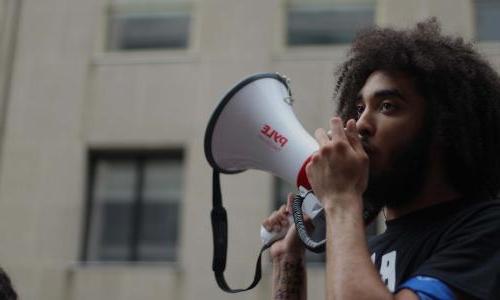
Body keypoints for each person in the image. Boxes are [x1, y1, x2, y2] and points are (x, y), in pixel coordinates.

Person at [263, 19, 500, 300]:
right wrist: (287, 257)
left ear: (443, 130)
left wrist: (340, 198)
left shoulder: (487, 230)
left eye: (387, 106)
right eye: (360, 108)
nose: (360, 123)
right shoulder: (369, 251)